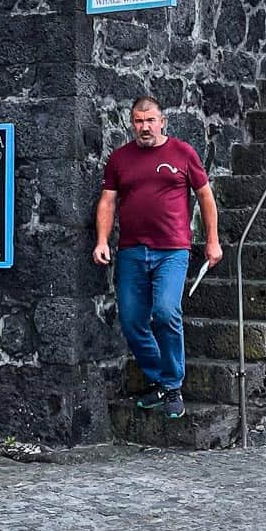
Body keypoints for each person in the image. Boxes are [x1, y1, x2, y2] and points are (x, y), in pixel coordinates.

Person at [93, 96, 221, 421]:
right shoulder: (120, 159)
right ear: (131, 123)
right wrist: (101, 241)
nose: (144, 127)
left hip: (172, 250)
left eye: (150, 120)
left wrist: (213, 242)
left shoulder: (183, 153)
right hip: (132, 251)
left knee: (165, 312)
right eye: (138, 121)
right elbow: (108, 201)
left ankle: (173, 384)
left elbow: (205, 196)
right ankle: (161, 379)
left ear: (162, 121)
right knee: (133, 321)